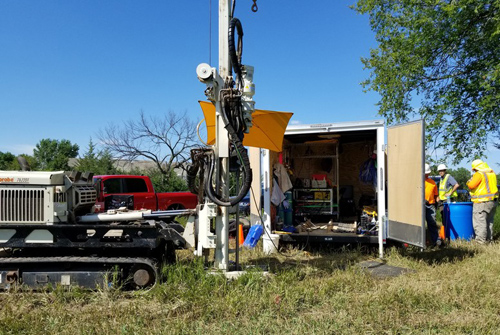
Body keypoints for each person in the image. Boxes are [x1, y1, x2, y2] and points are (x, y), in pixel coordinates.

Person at [466, 159, 498, 244]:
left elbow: (471, 185)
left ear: (476, 168)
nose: (474, 171)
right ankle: (489, 240)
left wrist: (469, 181)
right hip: (493, 201)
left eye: (474, 169)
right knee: (489, 222)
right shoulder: (492, 173)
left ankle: (480, 242)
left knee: (480, 222)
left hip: (481, 202)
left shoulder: (479, 174)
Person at [425, 163, 441, 247]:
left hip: (430, 205)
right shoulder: (418, 181)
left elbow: (436, 195)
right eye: (425, 173)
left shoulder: (432, 182)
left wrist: (438, 201)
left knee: (432, 223)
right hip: (420, 206)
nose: (426, 175)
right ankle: (420, 242)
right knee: (418, 225)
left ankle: (435, 241)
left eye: (427, 173)